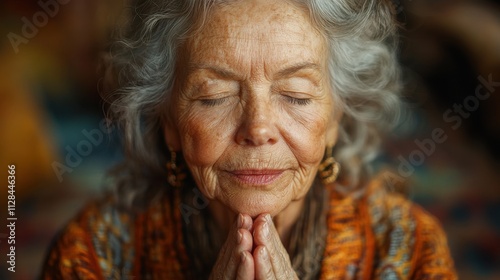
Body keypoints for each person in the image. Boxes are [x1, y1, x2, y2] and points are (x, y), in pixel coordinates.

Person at [42, 0, 457, 279]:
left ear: (334, 119)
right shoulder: (94, 254)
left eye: (295, 95)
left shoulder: (407, 250)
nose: (258, 129)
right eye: (215, 97)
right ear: (168, 121)